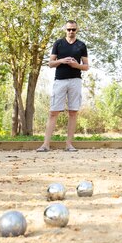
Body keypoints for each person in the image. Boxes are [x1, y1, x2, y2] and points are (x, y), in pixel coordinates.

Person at [37, 20, 89, 152]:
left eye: (73, 29)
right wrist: (62, 61)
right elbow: (50, 63)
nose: (71, 32)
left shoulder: (81, 45)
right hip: (60, 81)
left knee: (73, 112)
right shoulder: (58, 43)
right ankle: (45, 145)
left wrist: (76, 65)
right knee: (53, 112)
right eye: (69, 29)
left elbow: (86, 66)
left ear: (77, 30)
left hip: (75, 81)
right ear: (65, 30)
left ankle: (69, 145)